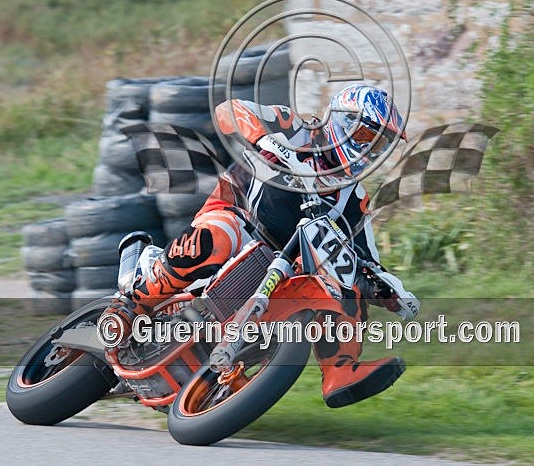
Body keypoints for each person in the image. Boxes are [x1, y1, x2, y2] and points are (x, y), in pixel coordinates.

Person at [103, 84, 417, 408]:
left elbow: (366, 259)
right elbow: (229, 110)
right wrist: (263, 138)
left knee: (345, 280)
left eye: (381, 145)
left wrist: (388, 289)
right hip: (239, 216)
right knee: (218, 239)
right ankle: (131, 304)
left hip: (285, 265)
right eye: (368, 138)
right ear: (343, 121)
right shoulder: (295, 128)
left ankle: (341, 371)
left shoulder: (354, 198)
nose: (372, 151)